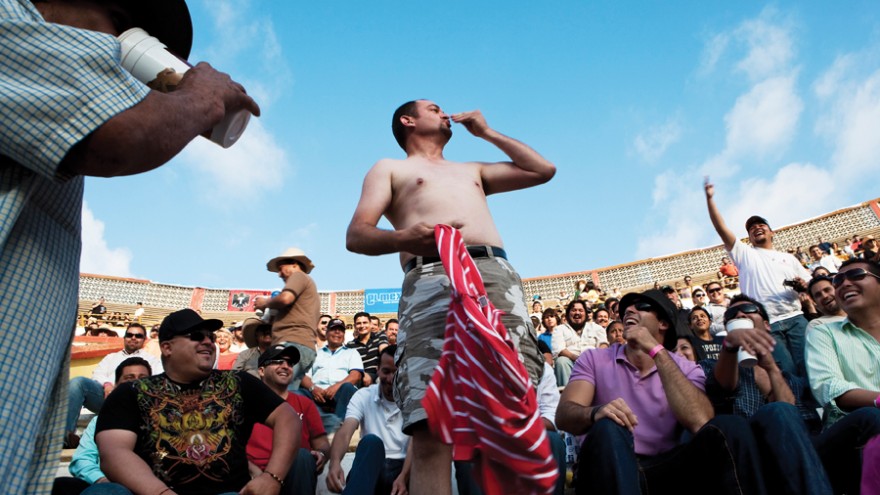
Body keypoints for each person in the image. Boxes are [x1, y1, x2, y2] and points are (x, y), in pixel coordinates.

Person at [0, 0, 262, 489]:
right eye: (118, 37)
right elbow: (119, 136)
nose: (119, 64)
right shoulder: (9, 21)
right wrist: (201, 97)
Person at [345, 99, 553, 494]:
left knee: (511, 408)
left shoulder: (471, 168)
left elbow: (542, 170)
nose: (445, 113)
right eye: (434, 107)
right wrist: (408, 237)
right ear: (408, 120)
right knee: (429, 423)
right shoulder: (390, 168)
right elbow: (357, 235)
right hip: (428, 275)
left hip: (491, 275)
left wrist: (487, 133)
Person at [555, 289, 765, 495]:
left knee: (730, 426)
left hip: (666, 466)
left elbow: (699, 421)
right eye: (627, 308)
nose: (629, 310)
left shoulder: (688, 368)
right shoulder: (594, 358)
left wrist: (656, 352)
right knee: (608, 426)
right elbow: (564, 415)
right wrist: (596, 412)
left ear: (663, 324)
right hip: (607, 467)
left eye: (642, 307)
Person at [93, 309, 299, 495]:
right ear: (167, 347)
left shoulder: (238, 382)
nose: (209, 341)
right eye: (196, 336)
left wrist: (272, 477)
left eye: (211, 337)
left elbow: (287, 418)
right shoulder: (132, 391)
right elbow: (114, 453)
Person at [702, 295, 829, 494]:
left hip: (800, 447)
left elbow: (791, 411)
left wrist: (770, 367)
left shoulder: (789, 378)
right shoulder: (713, 366)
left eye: (747, 309)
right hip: (750, 455)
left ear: (767, 325)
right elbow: (721, 389)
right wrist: (731, 348)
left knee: (866, 418)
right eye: (731, 315)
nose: (740, 314)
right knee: (777, 411)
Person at [704, 179, 812, 377]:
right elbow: (721, 228)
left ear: (771, 231)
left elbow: (809, 283)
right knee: (784, 373)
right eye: (751, 228)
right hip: (766, 324)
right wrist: (710, 200)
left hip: (796, 318)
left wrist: (804, 286)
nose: (756, 228)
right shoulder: (745, 253)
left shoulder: (789, 258)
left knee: (810, 368)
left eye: (761, 224)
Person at [805, 259, 880, 493]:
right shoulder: (822, 332)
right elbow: (829, 387)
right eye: (838, 280)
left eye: (856, 274)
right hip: (855, 430)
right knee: (871, 416)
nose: (844, 283)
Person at [54, 357, 153, 494]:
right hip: (105, 483)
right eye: (129, 378)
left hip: (147, 486)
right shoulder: (100, 421)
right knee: (59, 486)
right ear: (117, 386)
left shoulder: (163, 420)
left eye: (143, 378)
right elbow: (82, 460)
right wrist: (101, 480)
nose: (136, 383)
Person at [326, 346, 411, 495]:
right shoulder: (363, 396)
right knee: (371, 442)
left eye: (396, 372)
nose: (391, 379)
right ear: (377, 370)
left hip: (404, 469)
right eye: (386, 371)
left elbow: (415, 444)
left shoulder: (414, 399)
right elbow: (346, 431)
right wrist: (334, 463)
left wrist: (404, 476)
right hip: (371, 465)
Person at [247, 344, 330, 495]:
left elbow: (322, 442)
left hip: (294, 475)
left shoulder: (305, 404)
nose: (285, 366)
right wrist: (256, 472)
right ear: (261, 370)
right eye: (278, 361)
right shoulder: (246, 404)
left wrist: (322, 454)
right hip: (253, 477)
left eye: (289, 363)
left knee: (303, 455)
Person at [65, 323, 162, 447]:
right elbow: (97, 374)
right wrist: (107, 384)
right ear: (124, 337)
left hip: (136, 402)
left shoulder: (152, 360)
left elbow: (156, 381)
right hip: (107, 397)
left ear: (144, 339)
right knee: (78, 383)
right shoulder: (110, 357)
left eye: (138, 335)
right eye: (130, 335)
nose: (133, 338)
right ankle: (66, 436)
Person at [255, 248, 320, 390]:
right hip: (302, 346)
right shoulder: (307, 287)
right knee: (289, 397)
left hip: (292, 344)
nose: (279, 274)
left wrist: (265, 302)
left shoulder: (298, 276)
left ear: (294, 265)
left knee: (278, 394)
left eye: (281, 269)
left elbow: (285, 298)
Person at [301, 318, 363, 422]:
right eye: (334, 329)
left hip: (341, 394)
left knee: (347, 387)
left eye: (341, 330)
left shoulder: (352, 353)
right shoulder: (315, 353)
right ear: (326, 333)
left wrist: (336, 387)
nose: (337, 332)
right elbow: (304, 376)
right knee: (298, 392)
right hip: (317, 394)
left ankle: (337, 426)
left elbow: (355, 375)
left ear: (344, 335)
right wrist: (313, 388)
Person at [551, 300, 607, 386]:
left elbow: (604, 344)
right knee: (561, 361)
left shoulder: (595, 327)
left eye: (581, 310)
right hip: (570, 363)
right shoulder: (559, 329)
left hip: (593, 362)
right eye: (574, 310)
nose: (577, 313)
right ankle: (568, 397)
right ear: (568, 314)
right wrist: (579, 359)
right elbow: (560, 350)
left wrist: (596, 357)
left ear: (586, 314)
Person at [345, 311, 388, 386]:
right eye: (359, 323)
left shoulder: (380, 336)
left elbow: (384, 351)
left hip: (378, 374)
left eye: (365, 322)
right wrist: (362, 374)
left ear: (370, 324)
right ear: (355, 326)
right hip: (360, 376)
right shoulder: (350, 345)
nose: (362, 326)